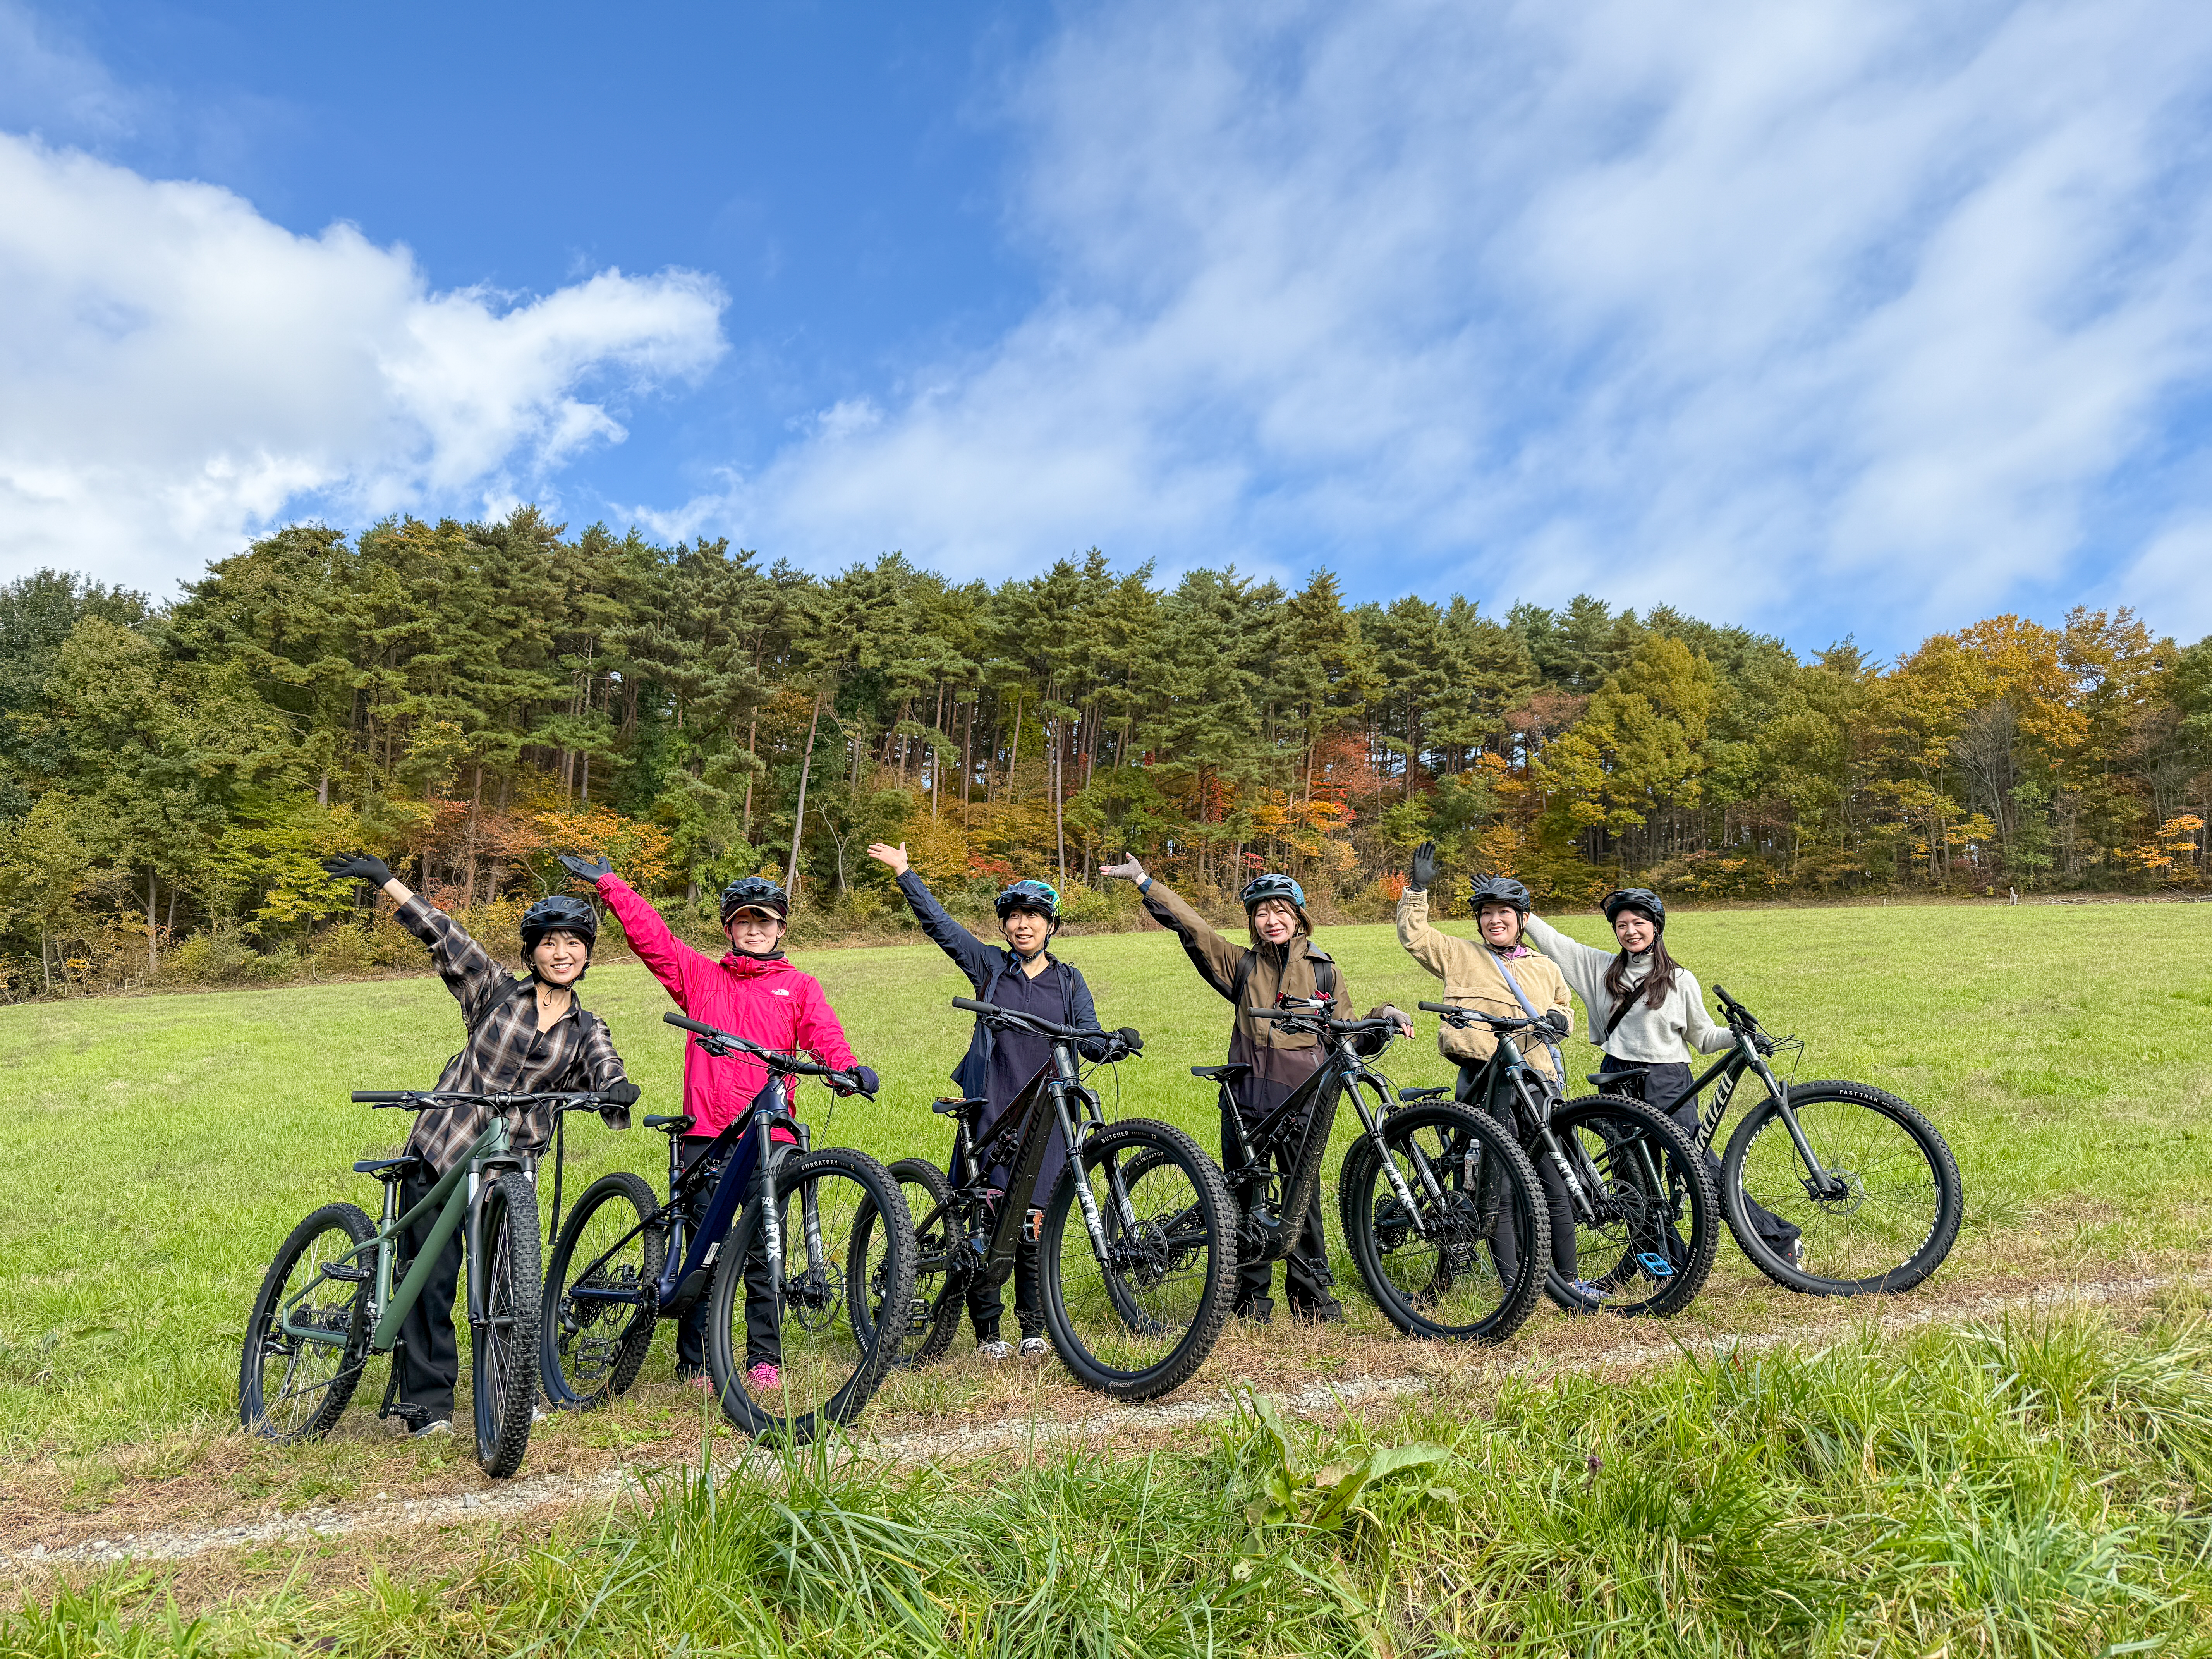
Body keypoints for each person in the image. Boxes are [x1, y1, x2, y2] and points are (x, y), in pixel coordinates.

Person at [319, 851, 635, 1437]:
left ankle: (513, 1390)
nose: (560, 953)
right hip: (445, 1149)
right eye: (548, 943)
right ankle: (427, 1404)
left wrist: (616, 1089)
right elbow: (444, 935)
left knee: (515, 1285)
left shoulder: (588, 1029)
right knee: (431, 1280)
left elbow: (606, 1067)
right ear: (531, 952)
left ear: (588, 954)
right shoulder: (493, 993)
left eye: (572, 943)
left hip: (510, 1172)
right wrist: (386, 881)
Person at [555, 855, 878, 1391]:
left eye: (766, 921)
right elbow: (654, 939)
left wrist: (845, 1070)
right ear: (729, 928)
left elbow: (825, 1039)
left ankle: (763, 1359)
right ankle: (696, 1360)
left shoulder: (799, 986)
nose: (755, 929)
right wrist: (612, 886)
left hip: (770, 1138)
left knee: (763, 1250)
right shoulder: (701, 978)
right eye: (745, 921)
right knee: (704, 1249)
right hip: (707, 1135)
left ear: (781, 927)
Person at [1099, 855, 1406, 1325]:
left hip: (1304, 1099)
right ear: (1254, 922)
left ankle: (1313, 1303)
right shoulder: (1242, 966)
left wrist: (1384, 1014)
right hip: (1245, 1100)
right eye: (1262, 913)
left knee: (1301, 1198)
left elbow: (1345, 1034)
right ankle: (1248, 1305)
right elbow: (1194, 929)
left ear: (1299, 916)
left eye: (1281, 910)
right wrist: (1144, 882)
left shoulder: (1324, 971)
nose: (1272, 920)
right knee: (1245, 1201)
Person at [867, 842, 1125, 1358]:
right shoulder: (989, 968)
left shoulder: (1070, 979)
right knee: (987, 1220)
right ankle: (989, 1332)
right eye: (1013, 917)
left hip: (1049, 1114)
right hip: (995, 1107)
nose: (1022, 925)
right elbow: (942, 928)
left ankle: (1033, 1326)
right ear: (1004, 926)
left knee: (1036, 1223)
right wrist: (906, 873)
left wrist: (1112, 1043)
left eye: (1033, 916)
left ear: (1050, 925)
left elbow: (1089, 1035)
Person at [1519, 883, 1803, 1269]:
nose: (1631, 931)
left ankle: (1777, 1239)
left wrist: (1739, 1035)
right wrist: (1521, 910)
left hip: (1667, 1081)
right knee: (1632, 1182)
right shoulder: (1600, 969)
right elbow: (1556, 943)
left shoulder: (1680, 980)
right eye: (1622, 925)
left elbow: (1702, 1037)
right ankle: (1666, 1265)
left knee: (1701, 1170)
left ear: (1656, 926)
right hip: (1616, 1079)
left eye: (1639, 923)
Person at [1394, 845, 1592, 1301]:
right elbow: (1415, 936)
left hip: (1537, 1081)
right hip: (1483, 1080)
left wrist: (1562, 1019)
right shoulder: (1460, 954)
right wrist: (1418, 890)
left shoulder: (1545, 966)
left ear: (1523, 920)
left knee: (1553, 1181)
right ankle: (1514, 1288)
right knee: (1496, 1184)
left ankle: (1570, 1281)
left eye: (1505, 913)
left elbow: (1563, 1008)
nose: (1495, 921)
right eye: (1487, 914)